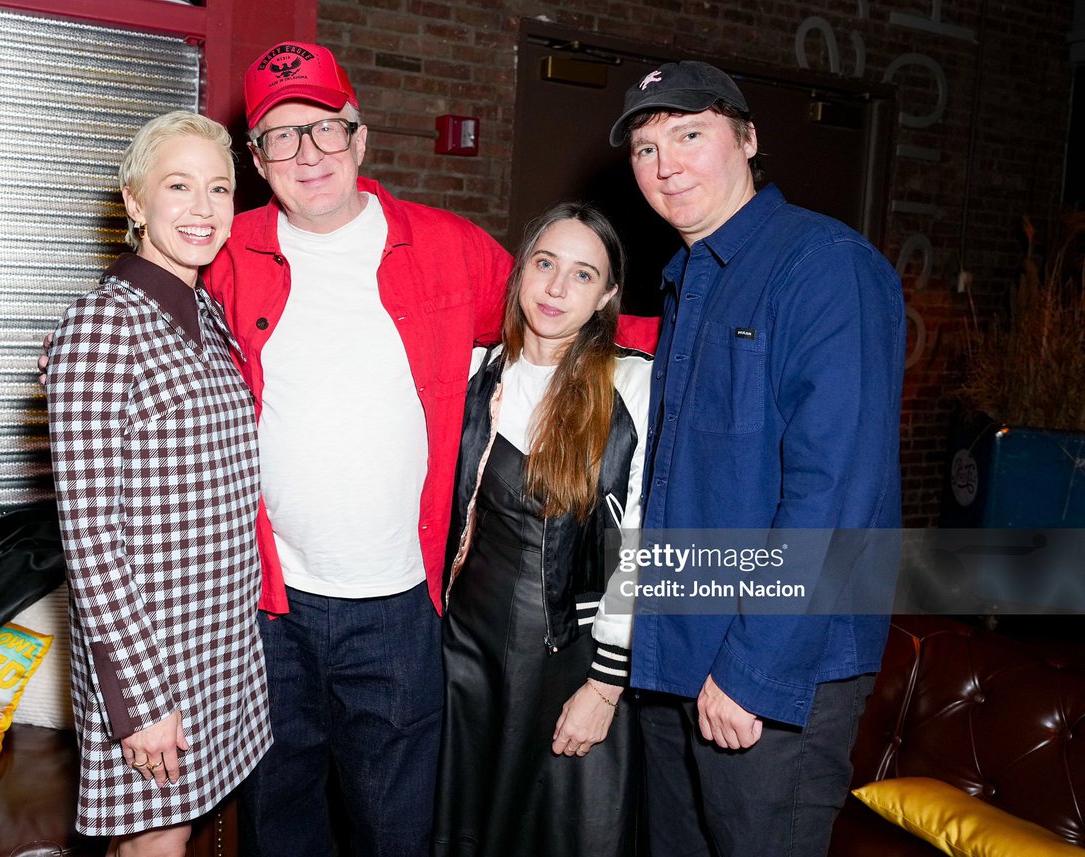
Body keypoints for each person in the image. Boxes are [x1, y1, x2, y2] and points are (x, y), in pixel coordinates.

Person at [205, 42, 515, 857]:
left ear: (361, 139)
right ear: (257, 159)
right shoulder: (225, 255)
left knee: (395, 829)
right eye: (281, 136)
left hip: (398, 605)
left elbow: (564, 326)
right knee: (281, 823)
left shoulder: (451, 247)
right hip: (266, 605)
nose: (307, 154)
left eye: (325, 130)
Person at [609, 62, 906, 856]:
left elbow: (834, 492)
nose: (666, 164)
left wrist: (754, 670)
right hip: (676, 656)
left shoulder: (823, 266)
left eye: (689, 134)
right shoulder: (686, 279)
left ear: (747, 138)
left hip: (769, 671)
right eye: (644, 148)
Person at [45, 111, 270, 857]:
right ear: (135, 202)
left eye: (218, 188)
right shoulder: (102, 325)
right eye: (178, 186)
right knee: (157, 844)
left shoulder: (205, 312)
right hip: (152, 657)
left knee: (165, 838)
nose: (203, 209)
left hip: (216, 645)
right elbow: (90, 534)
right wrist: (139, 701)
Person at [433, 203, 650, 857]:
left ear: (608, 295)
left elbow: (638, 545)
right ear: (520, 269)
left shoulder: (633, 383)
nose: (556, 288)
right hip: (466, 651)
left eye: (583, 275)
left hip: (573, 660)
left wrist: (606, 686)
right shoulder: (477, 372)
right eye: (545, 263)